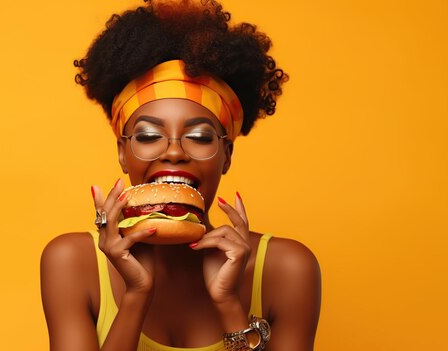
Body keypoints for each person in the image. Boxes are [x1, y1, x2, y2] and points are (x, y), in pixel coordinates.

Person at [40, 1, 321, 350]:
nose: (173, 152)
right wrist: (136, 294)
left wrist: (229, 304)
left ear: (226, 155)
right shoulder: (71, 262)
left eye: (200, 137)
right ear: (122, 154)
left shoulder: (288, 270)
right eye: (147, 136)